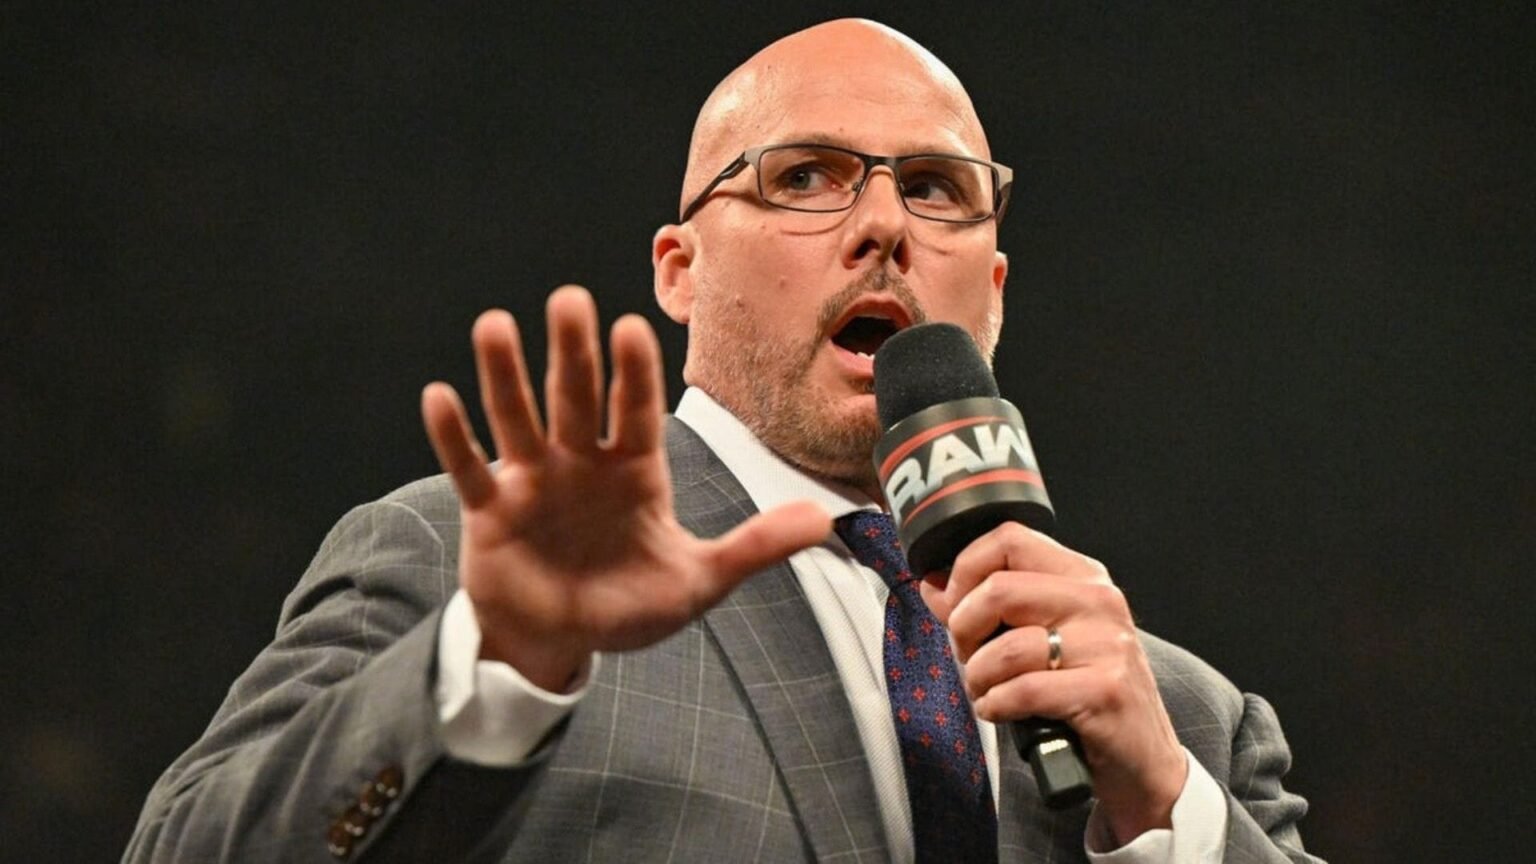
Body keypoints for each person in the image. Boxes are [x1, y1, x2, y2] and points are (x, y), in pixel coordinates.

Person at [124, 18, 1320, 864]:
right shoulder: (464, 569)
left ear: (993, 291)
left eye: (936, 189)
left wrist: (1167, 815)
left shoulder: (1183, 718)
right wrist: (496, 664)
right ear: (679, 271)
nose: (885, 225)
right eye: (806, 177)